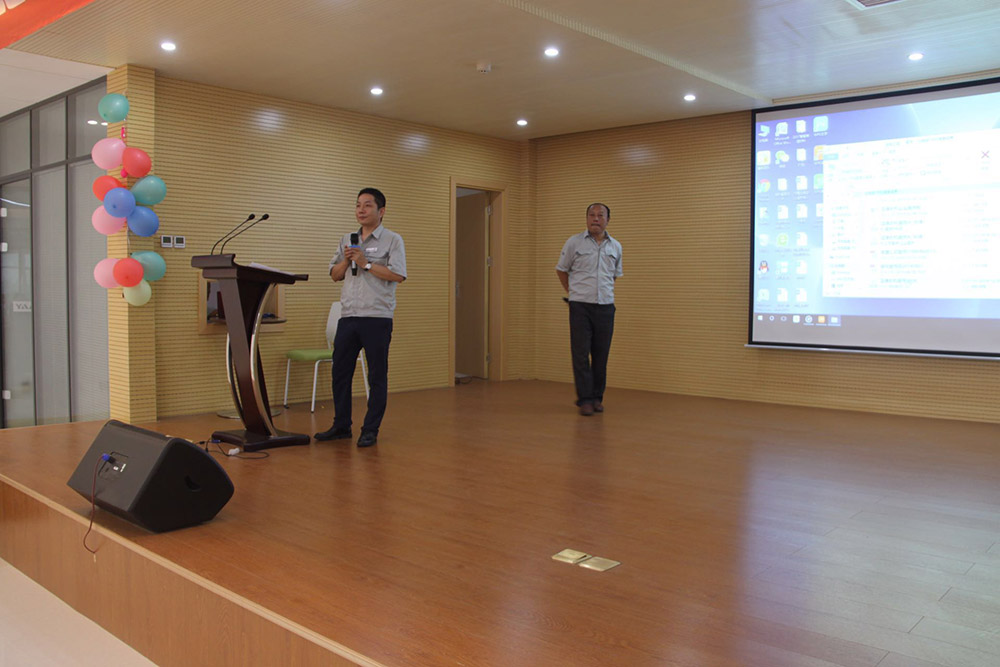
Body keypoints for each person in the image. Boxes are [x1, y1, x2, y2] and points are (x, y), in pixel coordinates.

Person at [315, 188, 406, 447]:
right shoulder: (347, 239)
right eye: (358, 205)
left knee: (376, 376)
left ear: (381, 211)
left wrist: (366, 263)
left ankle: (370, 430)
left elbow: (398, 275)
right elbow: (335, 275)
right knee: (340, 372)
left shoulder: (392, 240)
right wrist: (347, 261)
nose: (361, 210)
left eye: (367, 205)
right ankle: (341, 425)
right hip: (349, 316)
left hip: (377, 317)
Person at [556, 203, 623, 416]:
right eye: (592, 215)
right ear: (586, 219)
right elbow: (561, 270)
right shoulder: (574, 242)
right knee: (581, 354)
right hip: (580, 307)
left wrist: (601, 293)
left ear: (607, 220)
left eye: (600, 215)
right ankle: (584, 399)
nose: (596, 219)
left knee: (601, 355)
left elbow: (614, 276)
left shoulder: (616, 247)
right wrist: (574, 292)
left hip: (605, 307)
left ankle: (596, 398)